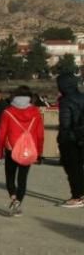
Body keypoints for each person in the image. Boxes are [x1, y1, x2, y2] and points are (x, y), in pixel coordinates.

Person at [0, 86, 44, 217]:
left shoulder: (8, 112)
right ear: (29, 97)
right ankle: (18, 201)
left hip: (11, 149)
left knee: (10, 176)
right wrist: (39, 153)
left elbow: (1, 134)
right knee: (22, 178)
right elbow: (40, 135)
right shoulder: (36, 112)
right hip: (28, 150)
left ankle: (13, 197)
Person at [56, 73, 84, 207]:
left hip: (70, 139)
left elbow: (65, 124)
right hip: (82, 137)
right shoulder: (82, 97)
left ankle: (77, 196)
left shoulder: (66, 101)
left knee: (73, 169)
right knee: (80, 168)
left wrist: (61, 138)